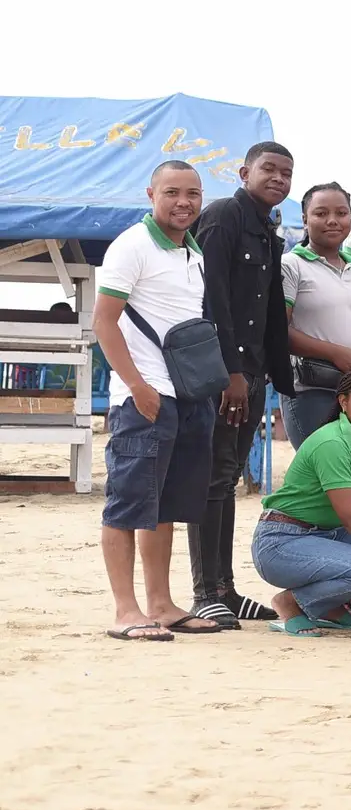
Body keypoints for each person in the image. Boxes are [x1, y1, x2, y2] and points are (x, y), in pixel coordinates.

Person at [95, 161, 229, 640]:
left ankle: (161, 604)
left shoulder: (193, 251)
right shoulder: (132, 245)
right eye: (172, 192)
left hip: (188, 396)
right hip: (144, 397)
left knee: (165, 507)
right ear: (151, 194)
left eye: (193, 193)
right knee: (127, 504)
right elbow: (104, 322)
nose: (183, 202)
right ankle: (126, 611)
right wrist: (137, 386)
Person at [188, 142, 298, 626]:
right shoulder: (222, 217)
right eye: (268, 169)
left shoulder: (268, 228)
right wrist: (229, 372)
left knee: (228, 478)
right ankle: (204, 593)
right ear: (243, 172)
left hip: (252, 372)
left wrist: (264, 373)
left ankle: (225, 589)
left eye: (286, 173)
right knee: (212, 477)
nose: (278, 179)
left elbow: (266, 308)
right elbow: (211, 299)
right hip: (224, 373)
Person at [249, 365, 351, 636]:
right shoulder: (332, 443)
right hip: (282, 542)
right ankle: (291, 603)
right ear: (344, 401)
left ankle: (329, 608)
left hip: (325, 535)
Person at [282, 183, 351, 447]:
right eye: (321, 213)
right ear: (305, 219)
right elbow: (277, 331)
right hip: (311, 390)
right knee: (323, 464)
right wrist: (335, 353)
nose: (332, 220)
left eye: (341, 213)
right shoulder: (291, 265)